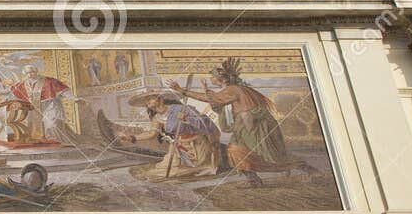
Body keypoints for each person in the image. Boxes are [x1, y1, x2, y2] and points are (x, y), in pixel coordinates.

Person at [168, 57, 311, 185]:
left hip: (250, 126)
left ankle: (261, 177)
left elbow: (214, 100)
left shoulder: (233, 89)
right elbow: (218, 103)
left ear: (221, 79)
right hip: (254, 124)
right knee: (253, 152)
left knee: (244, 151)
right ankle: (255, 178)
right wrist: (207, 91)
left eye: (212, 77)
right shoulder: (240, 89)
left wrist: (182, 90)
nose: (211, 79)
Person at [119, 92, 221, 182]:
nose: (147, 101)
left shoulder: (181, 108)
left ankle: (206, 167)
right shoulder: (157, 118)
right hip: (178, 146)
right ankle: (200, 168)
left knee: (176, 172)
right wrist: (132, 138)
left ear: (160, 99)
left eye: (150, 98)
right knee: (163, 169)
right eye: (146, 100)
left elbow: (205, 123)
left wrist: (187, 119)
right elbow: (151, 134)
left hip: (197, 144)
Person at [11, 67, 78, 144]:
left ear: (36, 71)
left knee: (52, 123)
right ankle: (44, 140)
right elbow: (13, 92)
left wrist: (74, 98)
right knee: (34, 127)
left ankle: (55, 140)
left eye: (32, 72)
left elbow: (63, 90)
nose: (30, 74)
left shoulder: (48, 81)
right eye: (27, 73)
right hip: (35, 107)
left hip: (51, 105)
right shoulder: (23, 84)